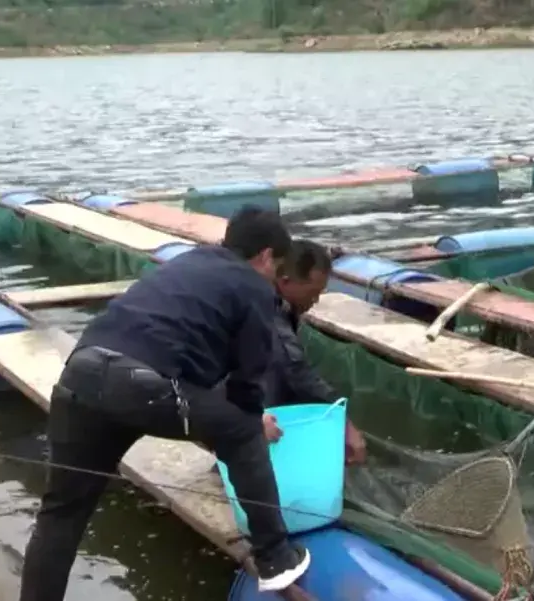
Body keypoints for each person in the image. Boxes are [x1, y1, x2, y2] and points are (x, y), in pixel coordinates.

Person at [20, 206, 309, 601]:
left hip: (81, 376)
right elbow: (247, 385)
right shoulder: (254, 286)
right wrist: (251, 422)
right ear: (265, 257)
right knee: (243, 430)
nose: (275, 278)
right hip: (143, 385)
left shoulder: (188, 262)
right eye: (277, 268)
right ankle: (276, 559)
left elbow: (177, 348)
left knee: (61, 515)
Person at [264, 238, 366, 465]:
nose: (316, 300)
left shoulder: (280, 305)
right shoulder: (266, 309)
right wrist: (342, 417)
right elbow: (296, 370)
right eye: (312, 292)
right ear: (286, 281)